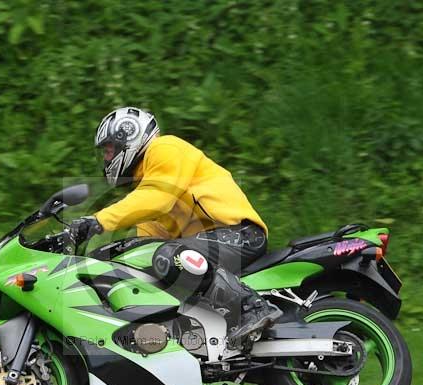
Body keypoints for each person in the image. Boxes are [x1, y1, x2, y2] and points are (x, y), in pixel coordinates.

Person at [69, 106, 282, 346]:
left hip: (239, 234)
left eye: (108, 151)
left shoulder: (164, 149)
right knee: (152, 266)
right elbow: (146, 246)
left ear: (127, 137)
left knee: (169, 256)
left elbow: (159, 197)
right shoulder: (146, 191)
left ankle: (251, 307)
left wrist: (97, 221)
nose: (106, 159)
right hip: (205, 248)